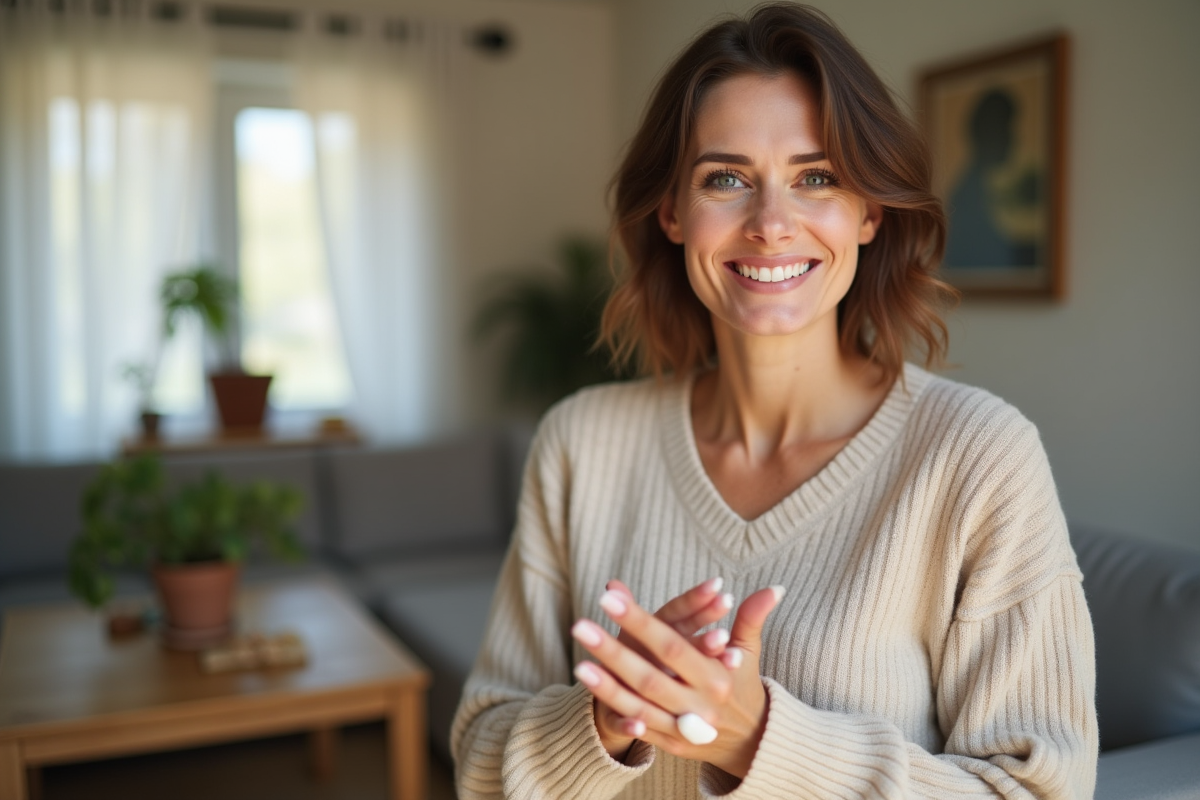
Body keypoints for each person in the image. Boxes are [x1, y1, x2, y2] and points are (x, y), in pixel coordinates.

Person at [451, 4, 1098, 798]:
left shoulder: (978, 456)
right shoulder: (579, 443)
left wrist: (756, 740)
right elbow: (479, 760)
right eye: (725, 179)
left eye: (816, 177)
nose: (771, 224)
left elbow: (1035, 789)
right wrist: (605, 720)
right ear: (673, 213)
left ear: (868, 212)